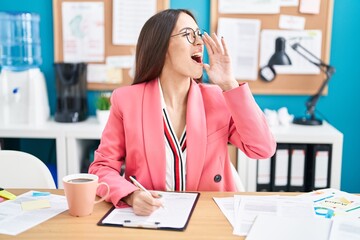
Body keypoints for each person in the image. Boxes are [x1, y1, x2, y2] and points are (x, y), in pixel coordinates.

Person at [89, 9, 276, 216]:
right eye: (189, 34)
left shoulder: (218, 97)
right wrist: (131, 195)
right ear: (161, 45)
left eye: (199, 34)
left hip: (209, 218)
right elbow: (101, 168)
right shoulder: (126, 100)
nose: (200, 43)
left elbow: (263, 149)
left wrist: (229, 84)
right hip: (153, 219)